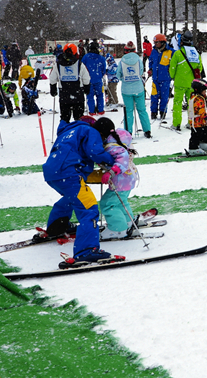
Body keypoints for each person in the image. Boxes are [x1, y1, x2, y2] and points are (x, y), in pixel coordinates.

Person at [42, 114, 120, 264]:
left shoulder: (71, 130)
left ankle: (56, 226)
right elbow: (94, 152)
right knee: (89, 207)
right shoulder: (92, 132)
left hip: (53, 172)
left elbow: (74, 154)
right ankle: (86, 250)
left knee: (72, 198)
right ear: (103, 133)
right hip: (69, 173)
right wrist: (112, 160)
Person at [98, 127, 140, 240]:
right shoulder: (120, 142)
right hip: (128, 178)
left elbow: (122, 158)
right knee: (120, 202)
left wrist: (111, 172)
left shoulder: (111, 146)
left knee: (108, 204)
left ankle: (118, 229)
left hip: (120, 181)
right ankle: (128, 221)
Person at [169, 31, 205, 130]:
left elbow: (172, 68)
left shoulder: (178, 53)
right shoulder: (196, 53)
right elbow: (200, 68)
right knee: (191, 103)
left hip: (180, 82)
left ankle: (176, 124)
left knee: (177, 103)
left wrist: (173, 76)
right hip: (192, 83)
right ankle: (191, 123)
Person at [117, 41, 152, 138]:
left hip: (126, 90)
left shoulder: (122, 61)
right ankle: (147, 130)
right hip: (138, 88)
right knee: (142, 110)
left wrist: (124, 80)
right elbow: (141, 71)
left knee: (128, 111)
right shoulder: (139, 60)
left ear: (125, 51)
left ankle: (128, 132)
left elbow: (118, 74)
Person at [50, 43, 91, 122]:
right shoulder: (79, 64)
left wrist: (53, 88)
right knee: (79, 118)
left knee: (65, 118)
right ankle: (79, 132)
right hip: (78, 93)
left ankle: (64, 131)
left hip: (64, 94)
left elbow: (52, 78)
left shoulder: (58, 64)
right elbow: (86, 78)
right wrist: (87, 87)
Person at [180, 78, 207, 156]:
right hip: (196, 122)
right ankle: (193, 148)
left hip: (201, 122)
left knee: (205, 131)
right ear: (199, 90)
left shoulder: (200, 97)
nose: (205, 92)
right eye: (204, 90)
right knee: (196, 135)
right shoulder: (197, 99)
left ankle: (202, 144)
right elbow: (201, 111)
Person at [148, 34, 173, 120]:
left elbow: (174, 64)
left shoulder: (170, 52)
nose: (155, 44)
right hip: (155, 78)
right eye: (154, 42)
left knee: (164, 97)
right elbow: (150, 61)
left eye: (157, 42)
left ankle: (163, 112)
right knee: (154, 96)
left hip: (165, 79)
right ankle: (153, 112)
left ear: (162, 42)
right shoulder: (154, 51)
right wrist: (150, 69)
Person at [82, 41, 107, 115]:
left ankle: (92, 111)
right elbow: (103, 69)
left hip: (88, 81)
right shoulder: (101, 58)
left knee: (90, 97)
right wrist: (100, 75)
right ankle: (101, 110)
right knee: (100, 96)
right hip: (98, 80)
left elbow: (82, 68)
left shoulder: (86, 57)